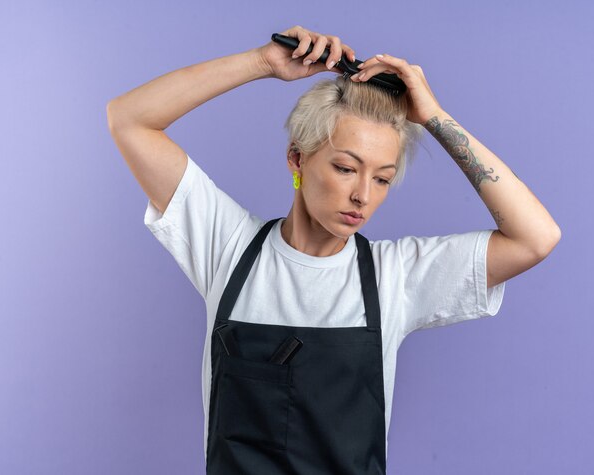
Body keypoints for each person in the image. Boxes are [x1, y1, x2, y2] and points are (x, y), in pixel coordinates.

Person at [107, 25, 561, 474]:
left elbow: (535, 237)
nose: (363, 195)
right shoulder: (227, 246)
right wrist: (263, 63)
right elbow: (129, 118)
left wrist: (434, 117)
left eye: (382, 178)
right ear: (298, 158)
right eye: (346, 168)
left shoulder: (395, 277)